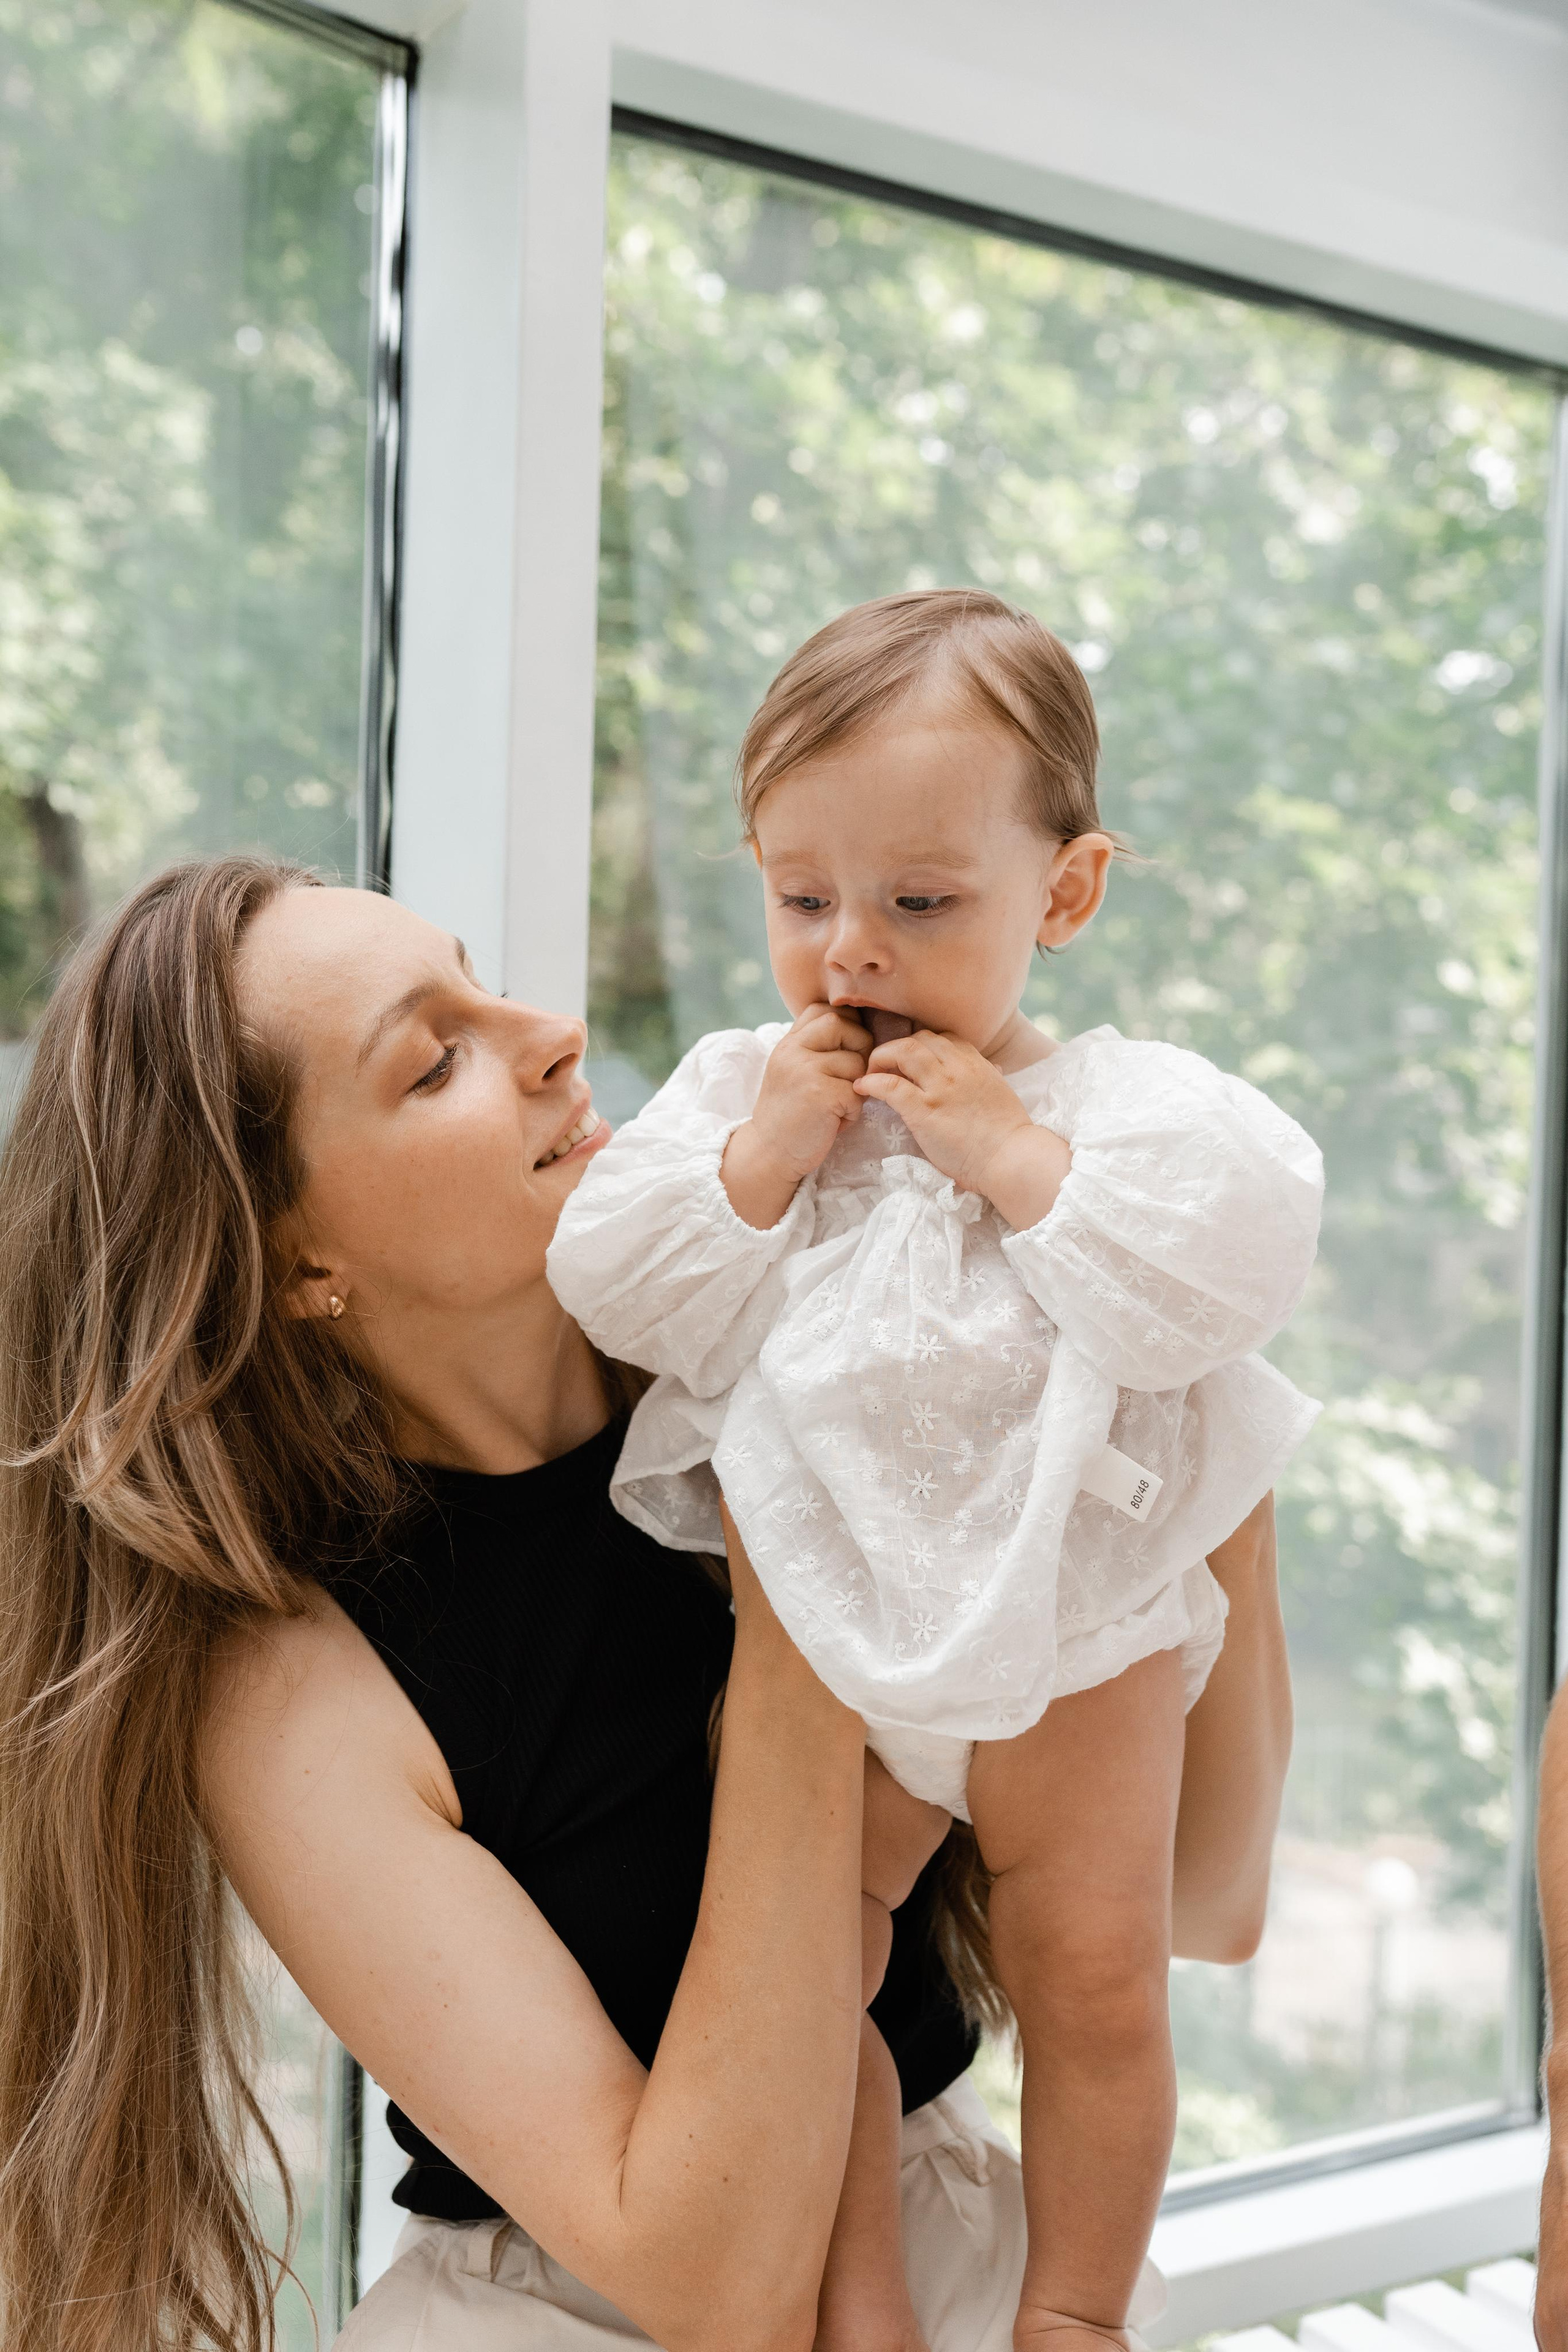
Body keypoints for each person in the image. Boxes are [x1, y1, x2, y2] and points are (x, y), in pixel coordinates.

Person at [0, 852, 1294, 2352]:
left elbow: (1200, 1899)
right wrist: (797, 1584)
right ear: (298, 1263)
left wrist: (1196, 1451)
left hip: (955, 2253)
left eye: (485, 978)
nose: (545, 1030)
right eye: (434, 1062)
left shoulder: (819, 1336)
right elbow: (713, 2286)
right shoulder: (293, 1687)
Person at [551, 589, 1322, 2352]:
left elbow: (1217, 1283)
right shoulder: (750, 1091)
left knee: (1098, 1973)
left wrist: (1022, 1159)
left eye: (920, 904)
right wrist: (761, 1160)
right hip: (842, 1632)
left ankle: (1072, 2312)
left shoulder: (1122, 1108)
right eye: (801, 899)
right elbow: (617, 1277)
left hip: (1071, 1630)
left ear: (1065, 893)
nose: (852, 955)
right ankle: (864, 2292)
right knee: (803, 1972)